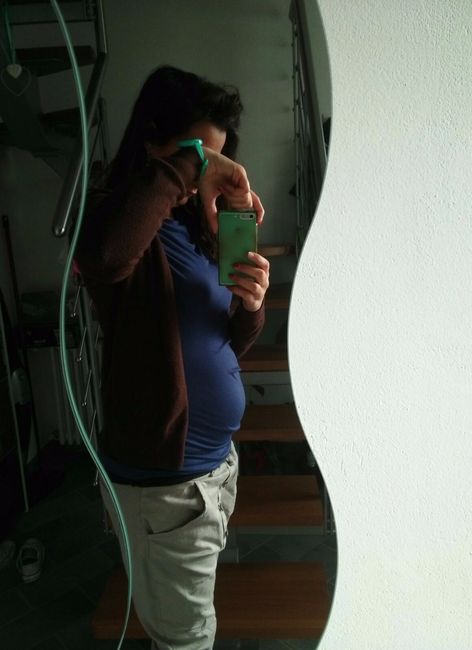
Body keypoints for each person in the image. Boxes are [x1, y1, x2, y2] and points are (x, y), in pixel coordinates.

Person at [75, 65, 270, 650]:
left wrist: (252, 306)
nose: (205, 170)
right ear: (153, 144)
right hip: (167, 487)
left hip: (215, 468)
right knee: (187, 639)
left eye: (216, 156)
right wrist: (190, 166)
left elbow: (228, 342)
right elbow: (106, 259)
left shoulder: (196, 225)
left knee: (188, 623)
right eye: (195, 153)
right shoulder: (116, 217)